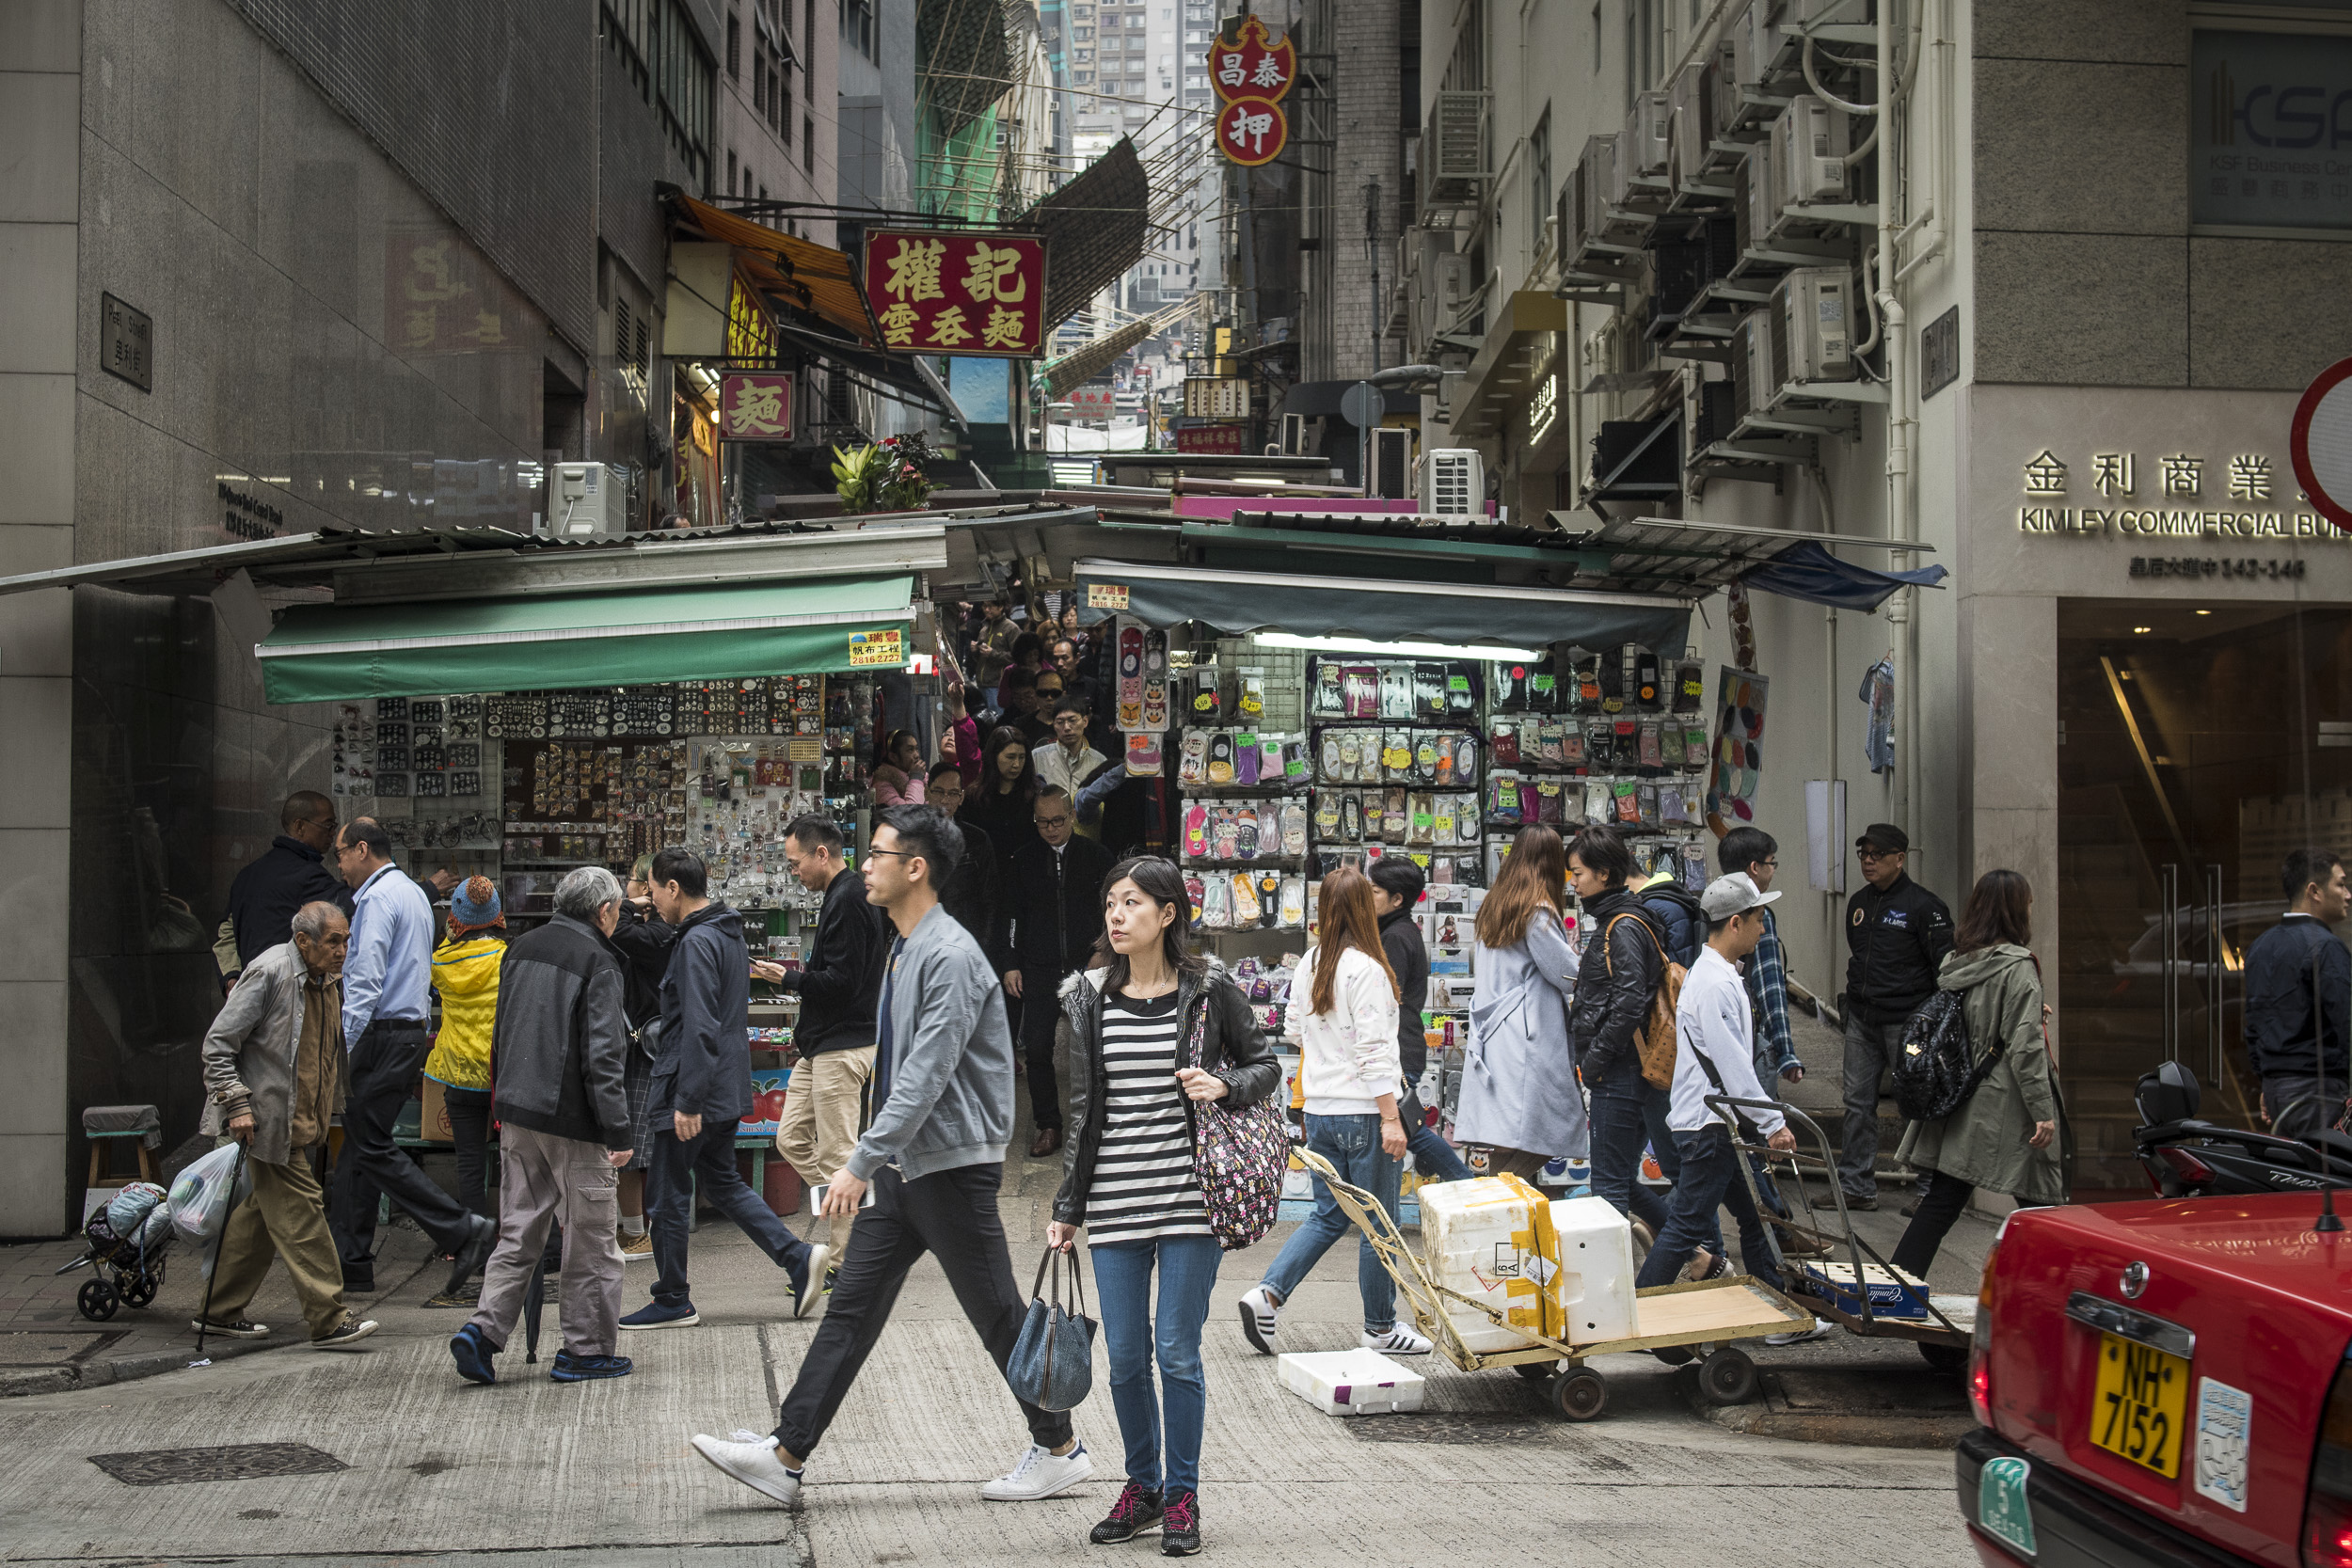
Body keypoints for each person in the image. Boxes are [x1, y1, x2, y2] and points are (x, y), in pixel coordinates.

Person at [689, 806, 1092, 1512]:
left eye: (877, 853)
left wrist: (860, 1159)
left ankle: (1060, 1448)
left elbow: (926, 1072)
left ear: (916, 867)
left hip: (949, 1166)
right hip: (910, 1164)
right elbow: (898, 1065)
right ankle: (786, 1455)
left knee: (998, 1314)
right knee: (851, 1309)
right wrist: (880, 1156)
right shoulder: (905, 945)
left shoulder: (951, 955)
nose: (863, 864)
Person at [1048, 856, 1278, 1555]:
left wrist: (1223, 1085)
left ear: (1168, 913)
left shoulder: (1209, 989)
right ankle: (1142, 1486)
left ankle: (1182, 1493)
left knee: (1176, 1352)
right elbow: (1082, 1109)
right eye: (1111, 903)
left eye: (1132, 903)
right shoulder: (1089, 996)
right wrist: (1068, 1203)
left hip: (1190, 1199)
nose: (1117, 916)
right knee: (1124, 1358)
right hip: (1116, 1198)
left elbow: (1265, 1063)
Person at [446, 867, 637, 1385]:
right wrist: (618, 1131)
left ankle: (483, 1334)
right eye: (617, 910)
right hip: (572, 1119)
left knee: (519, 1230)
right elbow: (603, 1057)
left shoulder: (521, 948)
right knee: (591, 1240)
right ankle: (586, 1350)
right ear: (603, 912)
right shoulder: (598, 960)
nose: (618, 919)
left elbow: (500, 1034)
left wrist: (500, 1103)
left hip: (517, 1112)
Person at [622, 847, 827, 1329]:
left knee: (668, 1195)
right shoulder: (725, 933)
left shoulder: (696, 943)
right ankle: (796, 1258)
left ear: (673, 888)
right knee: (723, 1182)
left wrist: (687, 1099)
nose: (649, 899)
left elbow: (697, 1025)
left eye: (652, 889)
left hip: (692, 1088)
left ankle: (673, 1298)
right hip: (725, 1082)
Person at [1236, 865, 1434, 1358]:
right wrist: (1392, 1117)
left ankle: (1267, 1294)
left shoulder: (1311, 961)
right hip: (1365, 1112)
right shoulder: (1366, 968)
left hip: (1320, 1110)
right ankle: (1380, 1327)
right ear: (1366, 910)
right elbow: (1374, 1051)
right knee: (1378, 1223)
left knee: (1328, 1215)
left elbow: (1295, 1031)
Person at [195, 901, 378, 1349]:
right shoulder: (271, 972)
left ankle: (216, 1310)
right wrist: (237, 1105)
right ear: (303, 940)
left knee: (258, 1219)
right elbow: (217, 1045)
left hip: (301, 1122)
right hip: (265, 1124)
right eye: (333, 941)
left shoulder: (325, 980)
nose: (342, 950)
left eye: (346, 940)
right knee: (303, 1215)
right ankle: (330, 1317)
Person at [328, 818, 494, 1295]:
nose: (338, 864)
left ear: (362, 849)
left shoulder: (379, 899)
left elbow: (363, 981)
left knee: (369, 1144)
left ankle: (462, 1230)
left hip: (379, 1035)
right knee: (359, 1150)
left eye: (340, 854)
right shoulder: (412, 895)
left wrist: (342, 1049)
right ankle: (353, 1262)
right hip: (404, 1033)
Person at [1889, 869, 2064, 1277]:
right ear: (2016, 911)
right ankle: (2066, 1294)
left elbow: (1973, 1019)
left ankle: (1893, 1287)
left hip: (1960, 1097)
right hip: (2001, 1107)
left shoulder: (1960, 962)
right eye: (2029, 904)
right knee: (2044, 1203)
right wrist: (2043, 1109)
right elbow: (2025, 1047)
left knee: (1943, 1200)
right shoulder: (2017, 966)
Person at [1633, 874, 1797, 1292]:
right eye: (1759, 919)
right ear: (1736, 923)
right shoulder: (1713, 982)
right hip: (1710, 1126)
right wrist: (1772, 1124)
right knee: (1687, 1227)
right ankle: (1642, 1307)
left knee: (1757, 1215)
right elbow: (1733, 1064)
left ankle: (1774, 1304)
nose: (1764, 929)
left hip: (1716, 1123)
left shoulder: (1717, 975)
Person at [756, 814, 885, 1271]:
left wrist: (789, 978)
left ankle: (842, 1264)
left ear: (822, 854)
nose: (794, 873)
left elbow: (845, 982)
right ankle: (863, 1203)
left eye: (795, 864)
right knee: (791, 1139)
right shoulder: (841, 894)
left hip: (843, 1043)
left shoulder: (850, 897)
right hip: (821, 1042)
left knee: (837, 1154)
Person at [1566, 824, 1688, 1248]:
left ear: (1603, 873)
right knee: (1621, 1177)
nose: (1574, 882)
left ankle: (1613, 1288)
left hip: (1621, 1071)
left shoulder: (1622, 925)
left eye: (1578, 873)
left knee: (1609, 1185)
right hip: (1627, 1067)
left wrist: (1595, 1060)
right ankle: (1698, 1252)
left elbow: (1630, 999)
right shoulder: (1624, 919)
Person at [1454, 827, 1582, 1183]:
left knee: (1510, 1133)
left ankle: (1492, 1205)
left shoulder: (1496, 906)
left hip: (1496, 1033)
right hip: (1529, 1035)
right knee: (1548, 1128)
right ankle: (1492, 1200)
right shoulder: (1537, 911)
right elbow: (1566, 973)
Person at [1838, 824, 1955, 1210]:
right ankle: (1856, 1187)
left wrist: (1935, 1022)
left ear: (1900, 859)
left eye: (1878, 854)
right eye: (1864, 854)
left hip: (1908, 1020)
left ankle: (1927, 1190)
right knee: (1857, 1102)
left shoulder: (1925, 907)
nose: (1868, 861)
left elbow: (1946, 968)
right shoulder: (1858, 902)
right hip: (1862, 1017)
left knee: (1917, 1104)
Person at [1005, 787, 1117, 1158]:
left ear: (1071, 816)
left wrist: (1104, 949)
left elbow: (1114, 910)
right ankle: (1048, 1125)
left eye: (1057, 820)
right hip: (1038, 965)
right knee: (1037, 1048)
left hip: (1088, 965)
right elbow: (1011, 915)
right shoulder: (1022, 860)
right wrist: (1010, 963)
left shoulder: (1097, 857)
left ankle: (1099, 1123)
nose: (1050, 829)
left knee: (1097, 1047)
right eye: (1042, 821)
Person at [226, 793, 457, 968]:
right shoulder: (305, 876)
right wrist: (426, 889)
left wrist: (232, 976)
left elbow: (225, 930)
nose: (331, 834)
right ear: (299, 826)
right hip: (288, 990)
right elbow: (360, 906)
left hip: (253, 981)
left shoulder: (246, 875)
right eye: (328, 826)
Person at [422, 877, 507, 1307]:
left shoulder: (442, 960)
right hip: (499, 1074)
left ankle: (477, 1245)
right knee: (514, 1163)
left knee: (470, 1165)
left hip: (456, 1072)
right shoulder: (505, 959)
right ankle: (519, 1244)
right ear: (497, 915)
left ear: (457, 917)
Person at [1370, 857, 1472, 1183]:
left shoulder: (1395, 937)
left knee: (1408, 1131)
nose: (1366, 899)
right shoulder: (1399, 931)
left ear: (1397, 899)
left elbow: (1383, 1002)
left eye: (1374, 891)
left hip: (1397, 1050)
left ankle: (1467, 1186)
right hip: (1403, 1047)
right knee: (1404, 1131)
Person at [2245, 847, 2351, 1139]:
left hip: (2277, 1094)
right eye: (2341, 884)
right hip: (2318, 1093)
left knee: (2295, 1180)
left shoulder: (2260, 946)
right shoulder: (2326, 947)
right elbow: (2347, 1023)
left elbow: (2253, 1025)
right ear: (2314, 890)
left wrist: (2267, 1082)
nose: (2348, 894)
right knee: (2327, 1180)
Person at [610, 854, 677, 1261]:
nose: (626, 889)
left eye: (633, 882)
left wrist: (631, 906)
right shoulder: (658, 930)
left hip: (645, 1048)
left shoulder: (655, 934)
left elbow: (614, 927)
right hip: (641, 1043)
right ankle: (635, 1228)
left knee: (632, 1145)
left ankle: (637, 1233)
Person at [924, 761, 1001, 953]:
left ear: (961, 797)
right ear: (927, 792)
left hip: (965, 943)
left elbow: (991, 898)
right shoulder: (911, 838)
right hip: (922, 940)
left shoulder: (977, 840)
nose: (945, 799)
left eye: (952, 793)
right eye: (939, 791)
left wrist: (981, 945)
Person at [964, 726, 1041, 884]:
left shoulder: (1034, 794)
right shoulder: (974, 797)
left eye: (1022, 757)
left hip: (1026, 876)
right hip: (986, 877)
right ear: (994, 757)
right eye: (1010, 757)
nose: (1016, 764)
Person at [1032, 697, 1109, 803]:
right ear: (1053, 725)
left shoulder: (1100, 761)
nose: (1067, 727)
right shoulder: (1037, 757)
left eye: (1072, 720)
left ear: (1085, 721)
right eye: (1060, 722)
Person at [972, 597, 1021, 692]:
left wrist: (992, 653)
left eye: (990, 606)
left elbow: (1017, 657)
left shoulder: (1011, 629)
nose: (986, 610)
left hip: (998, 685)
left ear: (1000, 607)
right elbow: (978, 659)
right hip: (981, 684)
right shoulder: (984, 630)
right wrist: (975, 651)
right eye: (984, 606)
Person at [941, 686, 984, 790]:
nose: (950, 739)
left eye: (956, 736)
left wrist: (958, 704)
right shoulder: (934, 770)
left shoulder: (969, 770)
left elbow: (968, 750)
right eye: (947, 734)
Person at [871, 728, 929, 807]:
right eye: (910, 750)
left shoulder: (924, 777)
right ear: (893, 757)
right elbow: (911, 814)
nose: (917, 755)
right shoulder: (882, 785)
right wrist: (916, 778)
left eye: (916, 749)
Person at [1021, 672, 1068, 751]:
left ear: (1063, 695)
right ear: (1035, 695)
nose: (1049, 698)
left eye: (1055, 693)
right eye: (1042, 693)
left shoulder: (1075, 723)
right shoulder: (1022, 725)